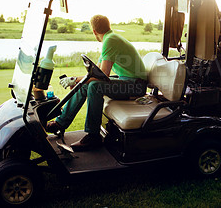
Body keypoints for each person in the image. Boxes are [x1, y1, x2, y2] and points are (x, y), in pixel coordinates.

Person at [46, 15, 147, 151]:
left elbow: (103, 75)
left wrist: (75, 79)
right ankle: (60, 123)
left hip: (136, 85)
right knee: (88, 84)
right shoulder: (110, 39)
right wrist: (77, 80)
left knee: (94, 86)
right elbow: (96, 72)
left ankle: (93, 137)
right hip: (128, 81)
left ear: (94, 31)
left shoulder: (110, 40)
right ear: (108, 26)